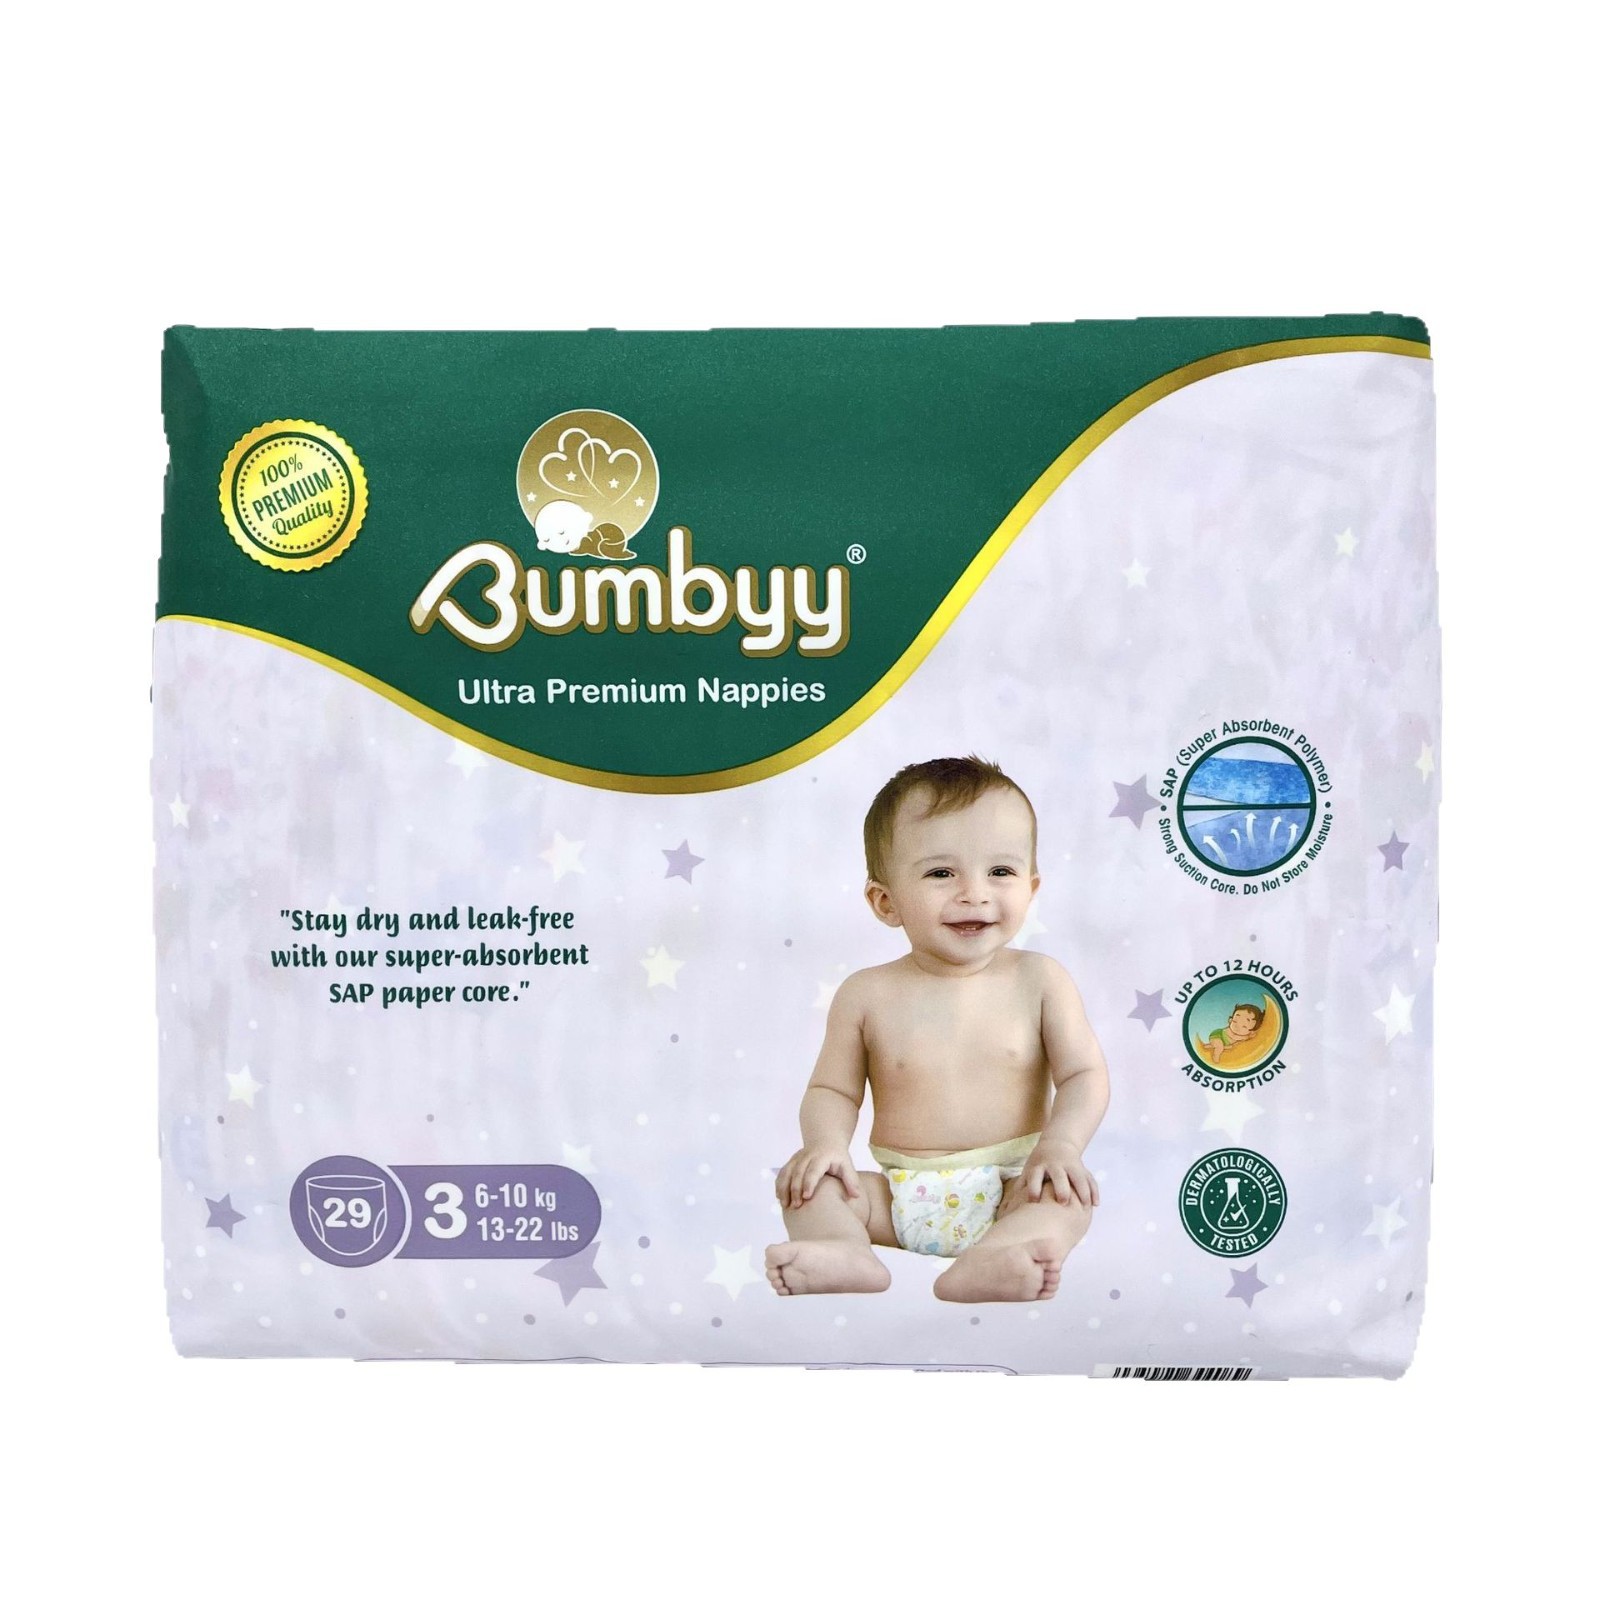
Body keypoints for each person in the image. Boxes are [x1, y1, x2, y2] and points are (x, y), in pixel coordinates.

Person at [765, 756, 1109, 1303]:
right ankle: (843, 1249)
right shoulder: (866, 993)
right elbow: (832, 1088)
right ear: (885, 901)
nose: (974, 892)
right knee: (806, 1187)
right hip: (894, 1194)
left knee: (1068, 1200)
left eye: (1000, 872)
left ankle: (1000, 1257)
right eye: (941, 874)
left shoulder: (1041, 980)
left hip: (1013, 1187)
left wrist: (1061, 1146)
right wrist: (825, 1145)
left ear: (1031, 887)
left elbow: (1083, 1075)